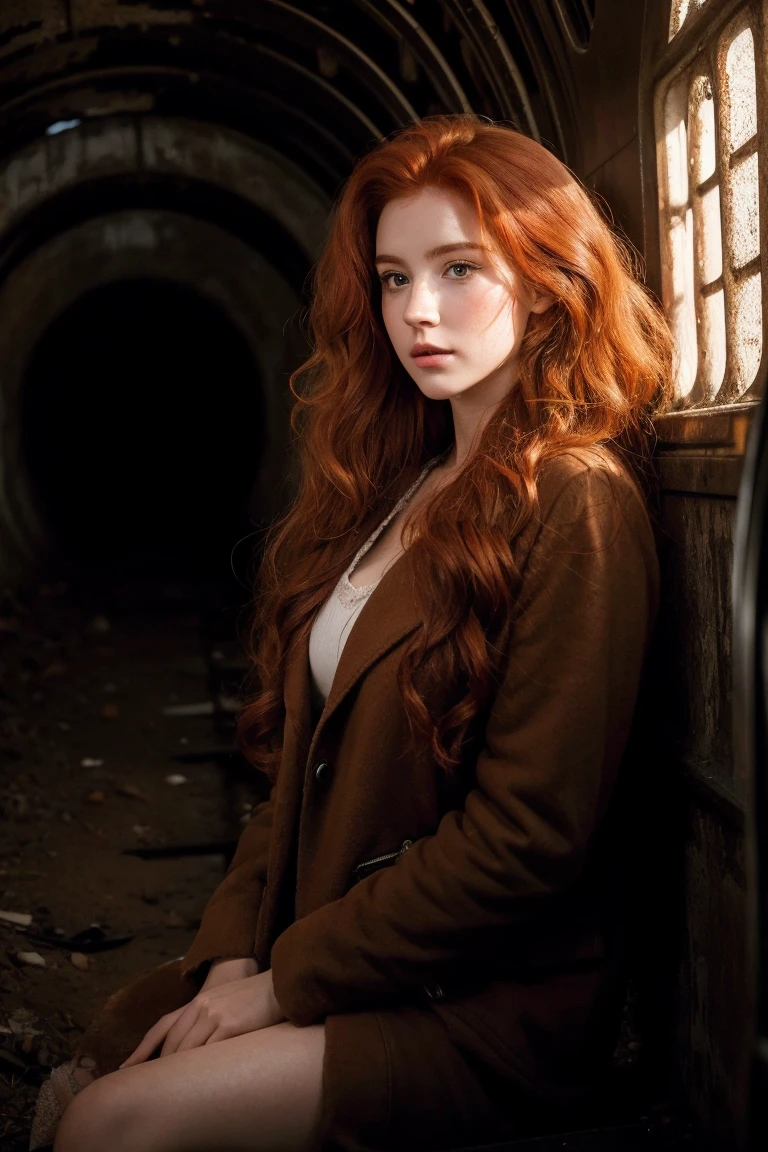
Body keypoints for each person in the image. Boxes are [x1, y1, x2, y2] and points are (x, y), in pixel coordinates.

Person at [53, 113, 673, 1152]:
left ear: (547, 276)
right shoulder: (406, 486)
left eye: (459, 268)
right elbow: (299, 776)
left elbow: (529, 843)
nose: (418, 312)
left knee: (114, 1125)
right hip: (340, 950)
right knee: (112, 1049)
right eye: (392, 278)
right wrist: (231, 958)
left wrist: (286, 981)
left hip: (483, 1001)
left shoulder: (578, 500)